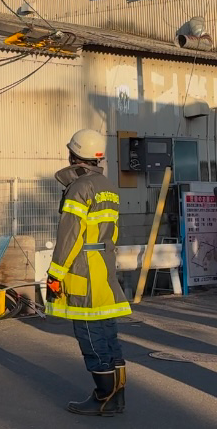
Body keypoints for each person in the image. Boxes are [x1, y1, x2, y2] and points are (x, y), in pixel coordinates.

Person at [45, 129, 131, 416]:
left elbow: (70, 236)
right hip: (104, 267)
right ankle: (116, 397)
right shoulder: (108, 185)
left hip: (82, 269)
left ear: (74, 154)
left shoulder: (79, 188)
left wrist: (55, 274)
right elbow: (114, 231)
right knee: (108, 333)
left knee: (90, 335)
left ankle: (103, 395)